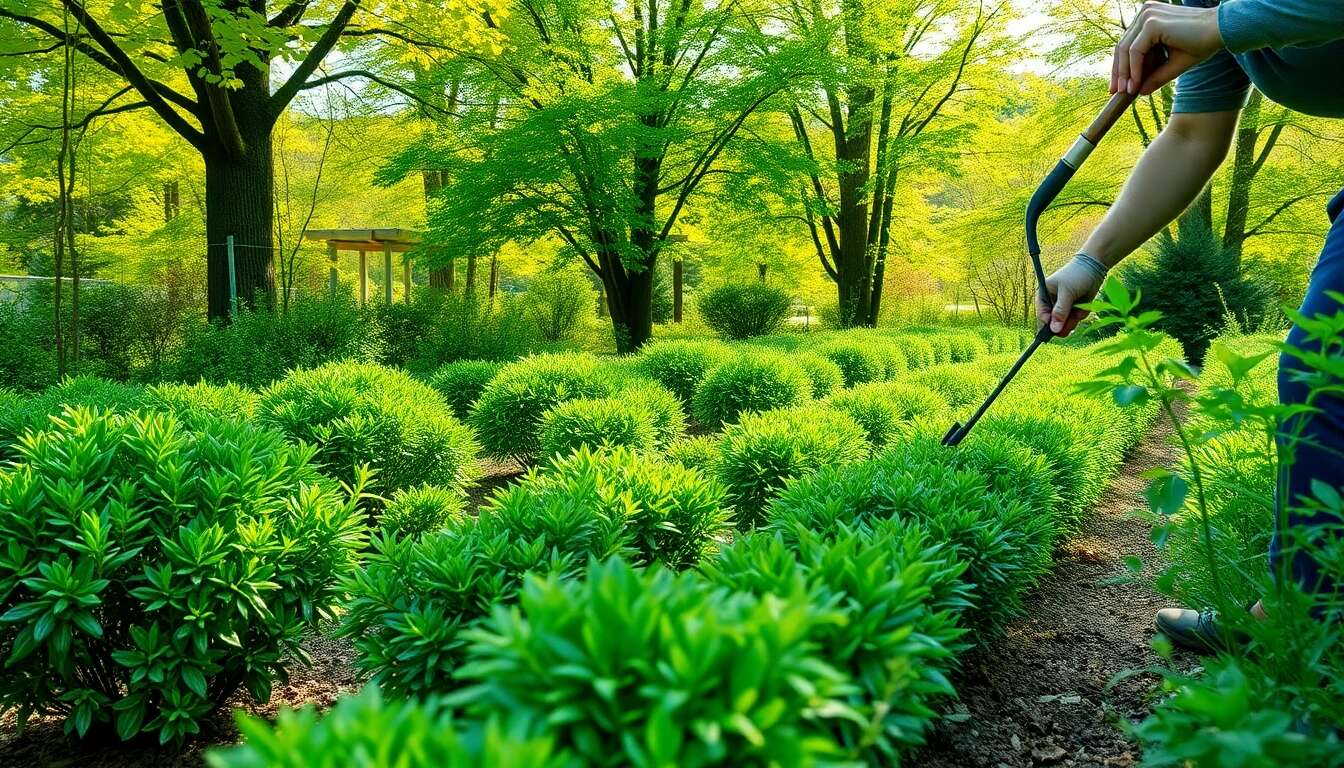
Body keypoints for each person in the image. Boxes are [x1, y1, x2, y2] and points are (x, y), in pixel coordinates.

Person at [1039, 0, 1344, 653]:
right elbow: (1191, 135)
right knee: (1325, 369)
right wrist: (1090, 262)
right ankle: (1304, 612)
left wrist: (1220, 26)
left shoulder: (1217, 16)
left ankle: (1304, 624)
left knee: (1327, 366)